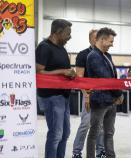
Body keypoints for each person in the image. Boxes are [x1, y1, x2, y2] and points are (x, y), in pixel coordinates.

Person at [35, 19, 76, 158]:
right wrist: (63, 72)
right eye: (68, 33)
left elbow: (62, 69)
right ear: (58, 33)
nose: (70, 36)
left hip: (63, 96)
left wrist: (70, 73)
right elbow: (38, 73)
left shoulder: (61, 48)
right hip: (51, 97)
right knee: (55, 135)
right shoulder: (44, 47)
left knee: (64, 134)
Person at [86, 27, 124, 158]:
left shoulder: (107, 55)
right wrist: (119, 93)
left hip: (110, 101)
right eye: (111, 41)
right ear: (101, 39)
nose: (112, 45)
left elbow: (113, 76)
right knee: (94, 134)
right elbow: (106, 78)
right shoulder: (93, 56)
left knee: (109, 134)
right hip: (99, 101)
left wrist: (115, 95)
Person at [72, 29, 106, 158]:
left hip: (102, 95)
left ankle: (100, 151)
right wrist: (86, 96)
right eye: (97, 38)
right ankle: (76, 153)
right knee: (85, 125)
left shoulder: (104, 55)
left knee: (101, 126)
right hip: (89, 95)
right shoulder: (82, 55)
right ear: (90, 40)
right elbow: (79, 78)